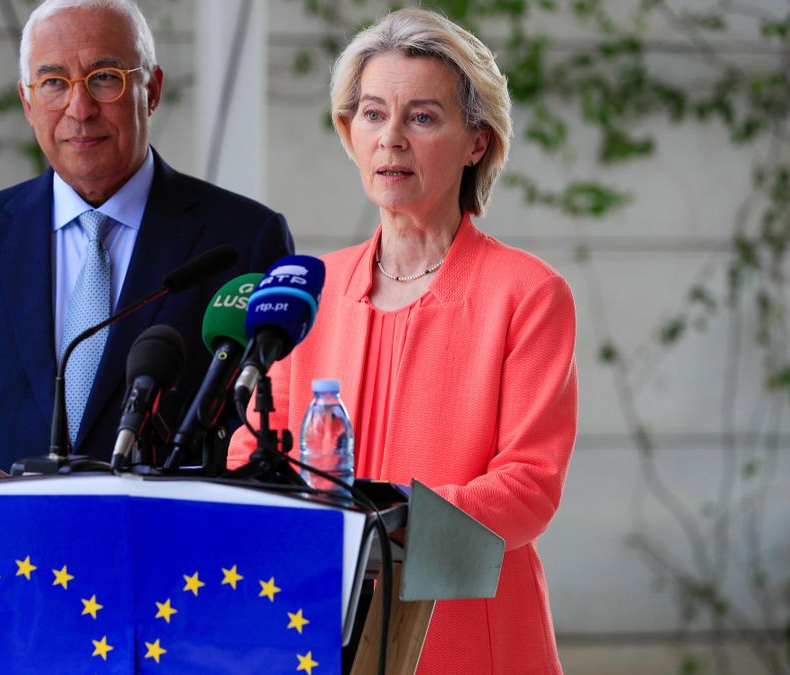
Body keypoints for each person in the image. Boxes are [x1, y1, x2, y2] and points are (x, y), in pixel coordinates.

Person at [230, 8, 576, 674]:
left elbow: (528, 487)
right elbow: (250, 455)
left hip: (472, 635)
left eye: (422, 117)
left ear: (476, 140)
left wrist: (391, 521)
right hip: (315, 629)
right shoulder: (304, 290)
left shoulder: (527, 293)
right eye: (371, 114)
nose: (391, 139)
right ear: (346, 130)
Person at [0, 0, 293, 493]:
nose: (79, 110)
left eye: (104, 78)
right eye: (54, 83)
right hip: (5, 560)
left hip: (171, 559)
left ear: (152, 90)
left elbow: (262, 428)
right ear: (27, 101)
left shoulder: (244, 239)